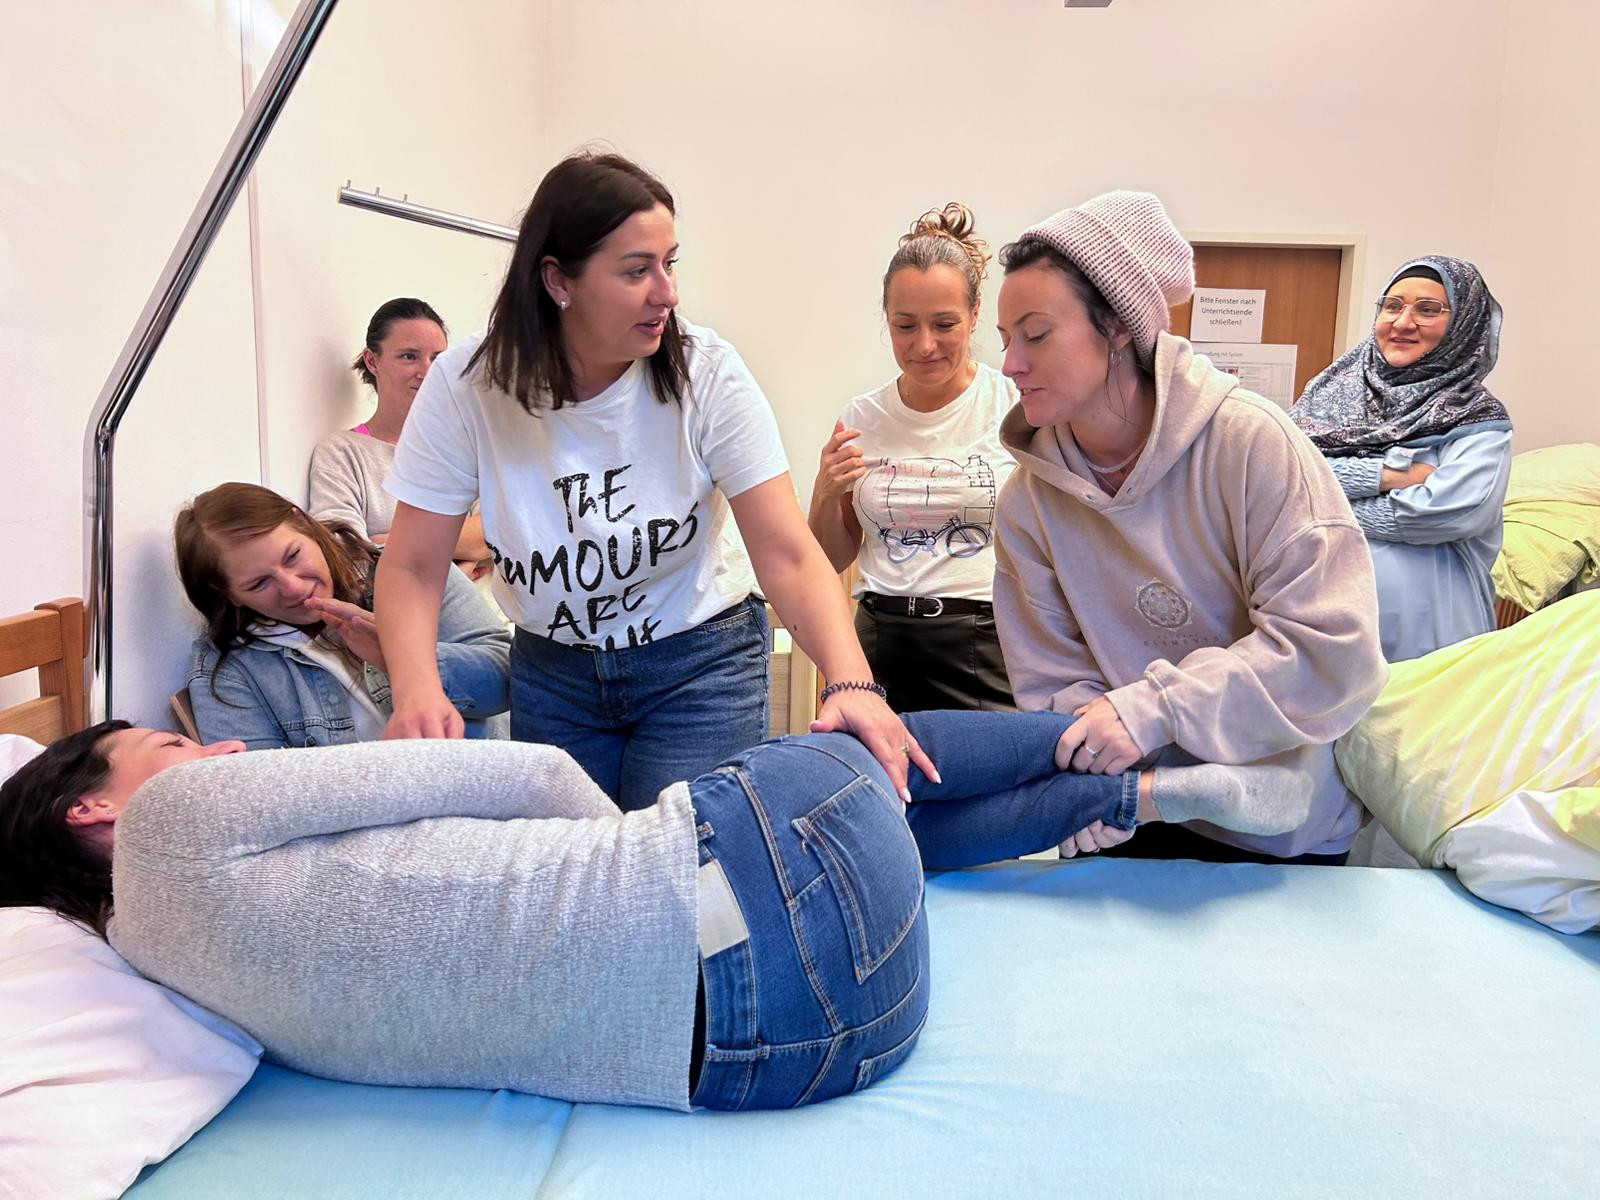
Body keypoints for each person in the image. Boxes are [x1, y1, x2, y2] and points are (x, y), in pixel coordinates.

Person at [0, 706, 1324, 1109]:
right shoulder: (170, 832)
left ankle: (1135, 796)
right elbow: (521, 772)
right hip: (793, 907)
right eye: (163, 748)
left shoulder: (187, 993)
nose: (212, 754)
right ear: (91, 811)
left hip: (815, 1052)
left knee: (853, 834)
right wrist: (659, 865)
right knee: (846, 744)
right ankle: (1122, 739)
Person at [375, 150, 928, 810]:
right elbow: (410, 564)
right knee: (572, 876)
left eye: (670, 263)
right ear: (559, 280)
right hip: (554, 672)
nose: (667, 292)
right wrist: (415, 689)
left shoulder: (706, 373)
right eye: (637, 271)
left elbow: (784, 552)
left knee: (681, 875)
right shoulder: (468, 386)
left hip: (697, 664)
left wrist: (851, 684)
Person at [991, 191, 1388, 865]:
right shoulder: (1029, 502)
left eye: (1035, 334)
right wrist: (1096, 777)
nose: (1009, 364)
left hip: (1274, 822)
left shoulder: (1252, 447)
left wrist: (1154, 708)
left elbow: (1332, 650)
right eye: (1004, 341)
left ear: (1118, 326)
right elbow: (1053, 675)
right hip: (1129, 814)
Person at [808, 204, 1018, 713]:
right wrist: (825, 489)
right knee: (878, 788)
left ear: (974, 316)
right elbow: (832, 558)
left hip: (986, 643)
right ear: (887, 321)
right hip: (880, 641)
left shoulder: (1013, 405)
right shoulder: (862, 416)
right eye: (905, 326)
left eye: (944, 324)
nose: (924, 345)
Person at [1291, 256, 1513, 662]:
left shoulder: (1478, 419)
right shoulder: (1327, 396)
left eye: (1428, 309)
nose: (1403, 322)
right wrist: (1387, 475)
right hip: (1312, 620)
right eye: (1392, 306)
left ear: (1464, 325)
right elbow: (1283, 476)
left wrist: (1317, 508)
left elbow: (1446, 512)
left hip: (1426, 632)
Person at [175, 482, 509, 749]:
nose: (292, 587)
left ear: (305, 524)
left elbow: (508, 680)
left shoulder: (407, 571)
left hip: (485, 787)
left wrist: (403, 658)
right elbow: (262, 796)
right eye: (260, 583)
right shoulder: (225, 670)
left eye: (292, 556)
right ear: (229, 595)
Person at [307, 298, 493, 579]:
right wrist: (454, 566)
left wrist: (390, 542)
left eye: (437, 358)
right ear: (372, 361)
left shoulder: (469, 447)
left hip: (486, 619)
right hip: (387, 620)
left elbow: (497, 533)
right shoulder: (342, 453)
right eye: (409, 356)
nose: (428, 372)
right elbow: (344, 555)